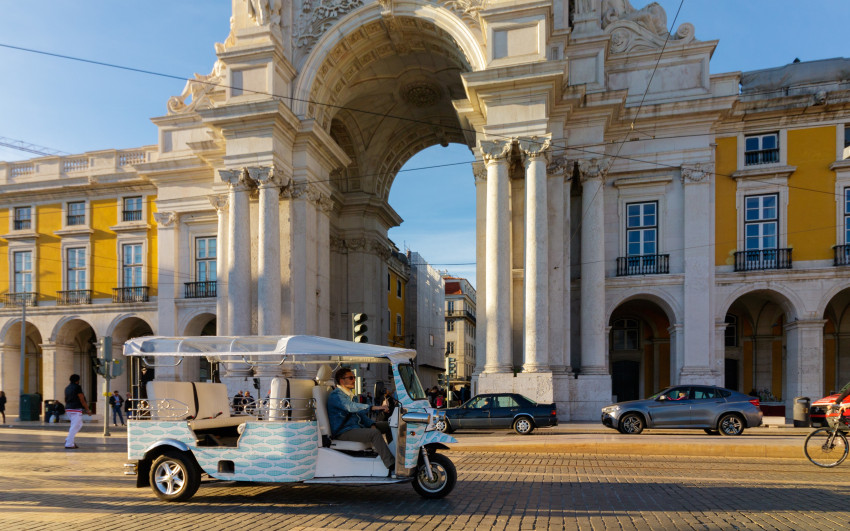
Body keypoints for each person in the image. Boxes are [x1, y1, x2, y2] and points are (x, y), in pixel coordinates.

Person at [327, 367, 395, 474]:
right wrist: (374, 407)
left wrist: (371, 423)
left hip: (355, 427)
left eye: (354, 377)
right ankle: (391, 465)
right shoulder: (336, 395)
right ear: (341, 381)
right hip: (344, 431)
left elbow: (361, 415)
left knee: (391, 425)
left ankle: (395, 454)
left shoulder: (350, 395)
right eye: (350, 378)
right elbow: (351, 407)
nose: (354, 380)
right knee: (375, 433)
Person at [64, 374, 91, 449]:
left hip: (68, 408)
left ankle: (68, 440)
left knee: (77, 425)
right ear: (77, 380)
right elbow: (82, 399)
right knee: (75, 426)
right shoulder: (77, 387)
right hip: (75, 409)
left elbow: (65, 398)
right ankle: (69, 443)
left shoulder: (67, 388)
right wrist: (87, 410)